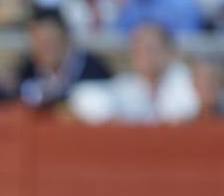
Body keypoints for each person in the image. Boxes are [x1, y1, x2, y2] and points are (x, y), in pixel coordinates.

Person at [69, 22, 199, 125]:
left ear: (170, 52)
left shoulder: (186, 79)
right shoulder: (127, 85)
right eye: (139, 49)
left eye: (151, 49)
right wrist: (114, 119)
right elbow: (82, 96)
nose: (145, 56)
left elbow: (186, 111)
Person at [17, 7, 112, 110]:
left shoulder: (93, 70)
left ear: (67, 38)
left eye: (51, 41)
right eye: (39, 43)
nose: (45, 49)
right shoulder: (27, 70)